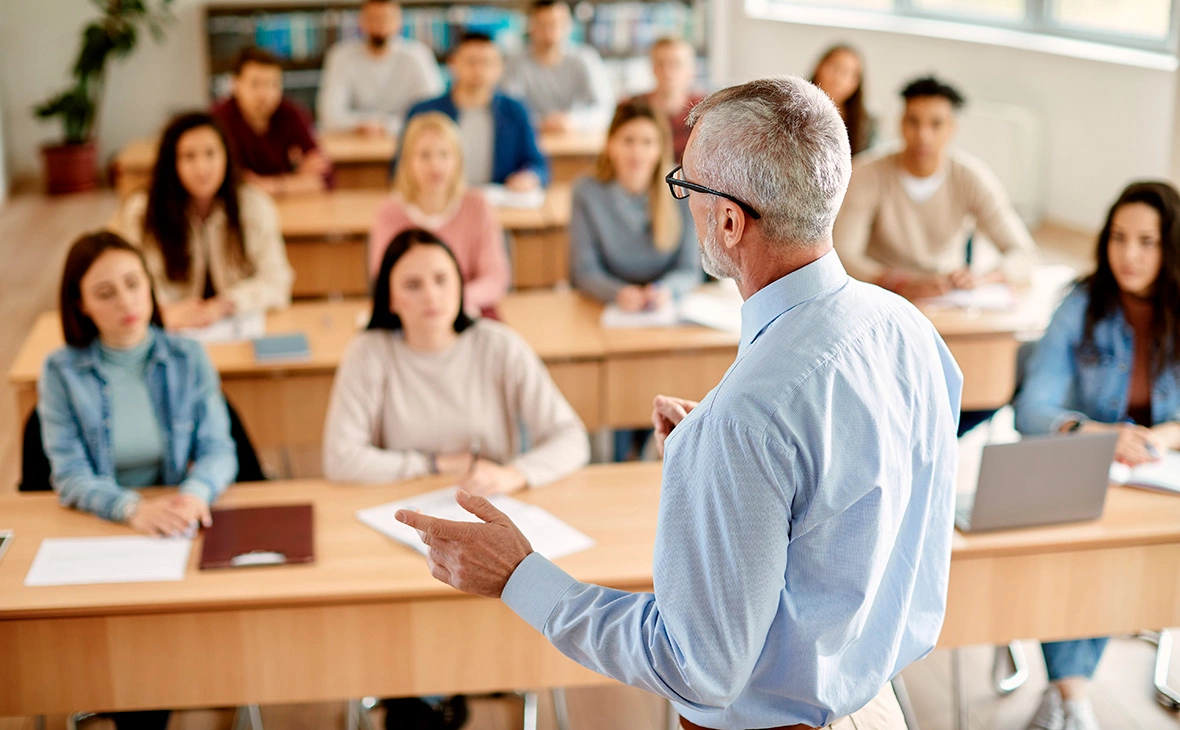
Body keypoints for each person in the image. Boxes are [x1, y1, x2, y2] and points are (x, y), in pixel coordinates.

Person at [396, 76, 962, 730]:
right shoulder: (907, 327)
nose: (681, 200)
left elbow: (699, 666)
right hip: (878, 702)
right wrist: (733, 466)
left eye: (685, 185)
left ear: (728, 221)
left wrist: (520, 576)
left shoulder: (750, 416)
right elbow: (851, 495)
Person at [37, 233, 235, 730]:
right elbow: (70, 475)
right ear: (80, 304)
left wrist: (195, 493)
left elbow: (218, 449)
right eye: (105, 292)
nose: (126, 301)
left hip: (177, 526)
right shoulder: (60, 371)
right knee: (136, 662)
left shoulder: (188, 358)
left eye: (133, 284)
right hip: (105, 526)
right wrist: (130, 509)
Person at [1014, 181, 1180, 730]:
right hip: (1086, 473)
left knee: (1118, 556)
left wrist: (1165, 435)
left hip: (1159, 479)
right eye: (1119, 238)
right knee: (1077, 553)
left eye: (1147, 242)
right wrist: (1097, 431)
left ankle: (1065, 697)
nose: (1129, 254)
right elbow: (1032, 410)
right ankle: (1076, 701)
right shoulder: (1080, 304)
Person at [325, 227, 589, 490]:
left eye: (441, 280)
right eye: (413, 285)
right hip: (403, 505)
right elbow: (341, 459)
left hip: (490, 502)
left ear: (460, 285)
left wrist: (512, 474)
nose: (431, 295)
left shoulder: (499, 344)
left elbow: (571, 438)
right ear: (390, 299)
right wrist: (434, 465)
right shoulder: (368, 352)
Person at [569, 100, 701, 460]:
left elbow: (690, 268)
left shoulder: (680, 190)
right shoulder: (587, 191)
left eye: (647, 141)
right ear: (610, 143)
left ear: (661, 146)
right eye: (628, 140)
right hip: (608, 315)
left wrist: (664, 291)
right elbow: (583, 270)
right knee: (615, 402)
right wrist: (617, 293)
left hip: (662, 315)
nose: (637, 152)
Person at [832, 75, 1037, 301]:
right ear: (900, 124)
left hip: (945, 295)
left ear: (952, 128)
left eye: (936, 124)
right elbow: (842, 253)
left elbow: (1024, 254)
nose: (923, 135)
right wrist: (896, 281)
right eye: (913, 122)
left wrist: (982, 279)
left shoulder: (971, 178)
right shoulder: (866, 173)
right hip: (880, 292)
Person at [109, 112, 293, 330]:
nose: (202, 167)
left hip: (235, 325)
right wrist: (165, 311)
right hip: (167, 327)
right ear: (172, 163)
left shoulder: (254, 205)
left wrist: (226, 304)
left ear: (227, 156)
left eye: (210, 154)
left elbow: (277, 280)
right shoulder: (141, 211)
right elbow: (126, 280)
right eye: (189, 156)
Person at [370, 112, 510, 314]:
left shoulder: (478, 207)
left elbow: (495, 279)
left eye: (444, 155)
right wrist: (428, 304)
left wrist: (449, 301)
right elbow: (385, 282)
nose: (435, 165)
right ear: (408, 161)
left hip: (468, 311)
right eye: (425, 155)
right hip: (411, 317)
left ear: (458, 160)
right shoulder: (389, 213)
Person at [406, 31, 548, 190]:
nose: (478, 70)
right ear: (452, 63)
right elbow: (401, 168)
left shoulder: (516, 110)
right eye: (471, 62)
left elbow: (537, 164)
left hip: (497, 201)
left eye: (487, 63)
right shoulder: (423, 112)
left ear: (500, 68)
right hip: (438, 201)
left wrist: (530, 177)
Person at [212, 47, 332, 195]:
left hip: (290, 209)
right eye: (255, 84)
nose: (265, 94)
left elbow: (325, 178)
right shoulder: (218, 119)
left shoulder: (291, 114)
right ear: (235, 84)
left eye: (273, 84)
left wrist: (269, 186)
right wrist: (296, 180)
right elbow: (226, 182)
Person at [317, 0, 443, 136]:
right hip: (353, 142)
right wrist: (363, 125)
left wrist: (386, 127)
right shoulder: (340, 56)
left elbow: (431, 112)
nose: (379, 25)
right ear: (361, 21)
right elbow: (329, 115)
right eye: (372, 18)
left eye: (386, 18)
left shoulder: (418, 56)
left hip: (407, 140)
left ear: (399, 22)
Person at [502, 0, 615, 133]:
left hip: (576, 138)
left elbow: (605, 109)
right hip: (530, 137)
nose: (549, 33)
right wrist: (540, 122)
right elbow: (507, 108)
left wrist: (573, 121)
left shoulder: (585, 59)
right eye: (542, 25)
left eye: (556, 24)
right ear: (531, 27)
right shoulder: (516, 63)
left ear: (569, 25)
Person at [633, 36, 704, 162]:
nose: (667, 71)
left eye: (676, 64)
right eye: (661, 64)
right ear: (652, 68)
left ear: (691, 69)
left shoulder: (705, 110)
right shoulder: (634, 108)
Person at [809, 44, 875, 156]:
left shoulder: (866, 124)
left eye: (848, 73)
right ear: (818, 67)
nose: (839, 78)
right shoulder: (790, 105)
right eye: (835, 68)